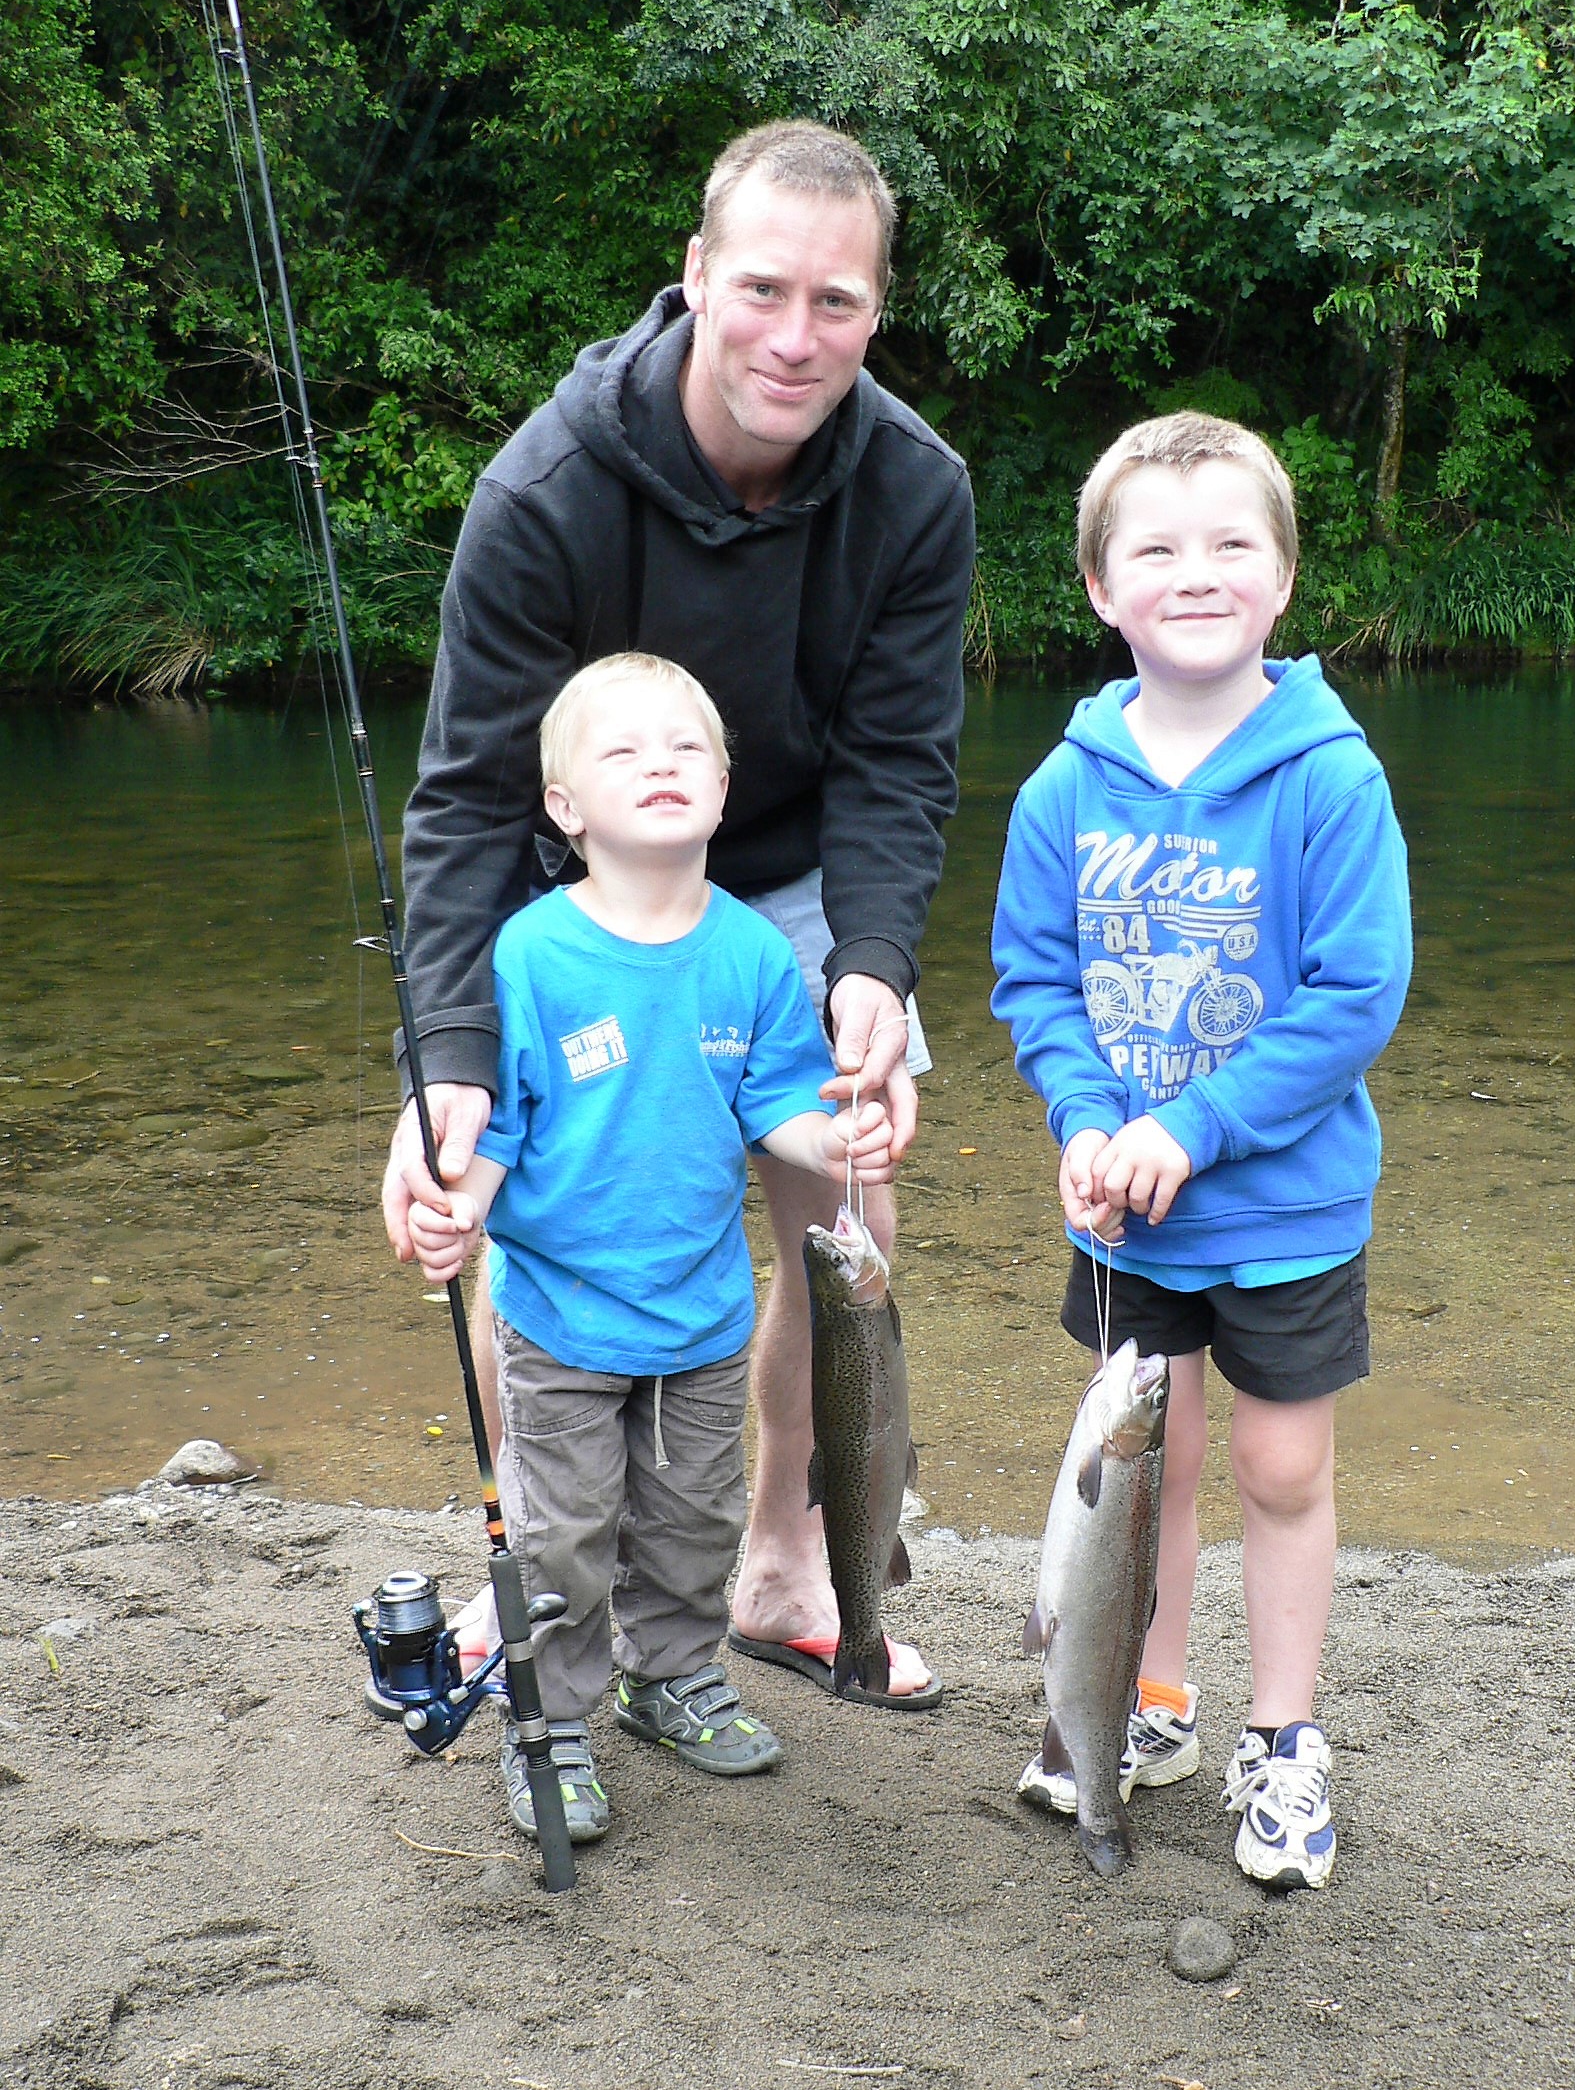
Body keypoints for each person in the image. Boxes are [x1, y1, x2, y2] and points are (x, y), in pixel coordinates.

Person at [381, 120, 971, 1705]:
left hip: (781, 880)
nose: (796, 337)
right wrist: (447, 1059)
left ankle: (783, 1560)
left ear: (877, 309)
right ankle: (554, 1564)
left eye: (837, 303)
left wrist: (873, 972)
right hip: (559, 880)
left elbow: (901, 769)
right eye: (764, 288)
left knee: (854, 1203)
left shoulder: (916, 491)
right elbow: (460, 800)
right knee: (524, 1195)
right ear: (696, 275)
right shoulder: (549, 487)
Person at [989, 412, 1412, 1886]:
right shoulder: (1062, 790)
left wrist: (1196, 1121)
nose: (1196, 570)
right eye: (1156, 547)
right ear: (1101, 588)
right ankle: (1141, 1699)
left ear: (1283, 579)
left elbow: (1357, 998)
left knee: (1280, 1469)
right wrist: (1091, 1120)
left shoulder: (1329, 779)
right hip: (1128, 1218)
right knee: (1140, 1467)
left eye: (1233, 542)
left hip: (1289, 1207)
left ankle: (1283, 1738)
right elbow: (1034, 981)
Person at [408, 654, 897, 1841]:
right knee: (563, 1537)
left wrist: (844, 1130)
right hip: (562, 1319)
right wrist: (453, 1199)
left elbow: (774, 1100)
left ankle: (668, 1674)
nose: (660, 768)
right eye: (623, 754)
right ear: (564, 808)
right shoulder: (526, 955)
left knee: (691, 1524)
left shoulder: (750, 953)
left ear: (727, 791)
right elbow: (495, 1120)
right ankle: (553, 1724)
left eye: (686, 751)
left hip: (703, 1321)